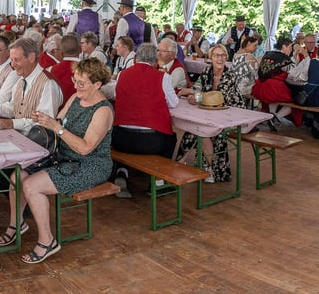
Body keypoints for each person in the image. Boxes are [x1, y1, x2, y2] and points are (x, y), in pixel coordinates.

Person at [12, 58, 113, 264]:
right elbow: (59, 121)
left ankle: (47, 241)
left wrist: (56, 127)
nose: (76, 86)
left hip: (90, 164)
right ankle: (16, 223)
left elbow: (85, 148)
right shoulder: (77, 97)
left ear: (97, 84)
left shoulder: (103, 110)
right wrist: (44, 121)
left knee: (32, 185)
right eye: (75, 81)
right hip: (63, 156)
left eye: (81, 83)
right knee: (17, 174)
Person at [176, 44, 254, 181]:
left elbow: (220, 98)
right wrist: (194, 96)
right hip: (211, 114)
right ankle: (208, 169)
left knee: (202, 131)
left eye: (223, 55)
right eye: (216, 55)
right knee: (196, 130)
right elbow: (198, 88)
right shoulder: (207, 71)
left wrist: (199, 96)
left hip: (231, 116)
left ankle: (185, 164)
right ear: (210, 58)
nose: (220, 58)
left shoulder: (230, 75)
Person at [111, 43, 179, 198]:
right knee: (171, 139)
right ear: (155, 61)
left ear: (135, 59)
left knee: (128, 138)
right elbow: (174, 103)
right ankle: (158, 182)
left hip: (121, 138)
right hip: (150, 141)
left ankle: (122, 171)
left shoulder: (123, 74)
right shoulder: (163, 77)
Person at [251, 36, 300, 126]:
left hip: (259, 86)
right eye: (289, 47)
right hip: (273, 88)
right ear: (283, 46)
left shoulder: (267, 54)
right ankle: (277, 117)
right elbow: (295, 74)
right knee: (294, 102)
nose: (290, 50)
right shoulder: (284, 59)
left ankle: (272, 116)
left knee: (273, 99)